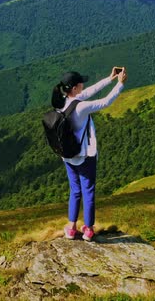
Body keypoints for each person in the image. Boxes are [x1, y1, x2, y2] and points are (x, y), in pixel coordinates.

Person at [50, 67, 127, 241]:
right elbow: (105, 102)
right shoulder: (81, 107)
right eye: (81, 84)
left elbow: (89, 92)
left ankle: (71, 227)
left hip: (68, 155)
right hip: (85, 156)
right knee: (88, 191)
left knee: (75, 191)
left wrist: (110, 78)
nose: (84, 85)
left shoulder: (61, 102)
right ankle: (89, 229)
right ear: (75, 88)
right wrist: (120, 84)